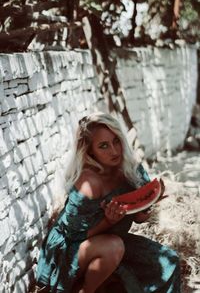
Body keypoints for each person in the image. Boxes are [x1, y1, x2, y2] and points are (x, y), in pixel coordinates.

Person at [36, 112, 181, 293]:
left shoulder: (131, 169)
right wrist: (108, 222)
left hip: (114, 240)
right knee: (114, 246)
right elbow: (72, 235)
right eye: (103, 146)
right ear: (89, 151)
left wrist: (146, 207)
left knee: (170, 261)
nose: (114, 151)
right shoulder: (88, 182)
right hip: (70, 250)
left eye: (116, 141)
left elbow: (139, 218)